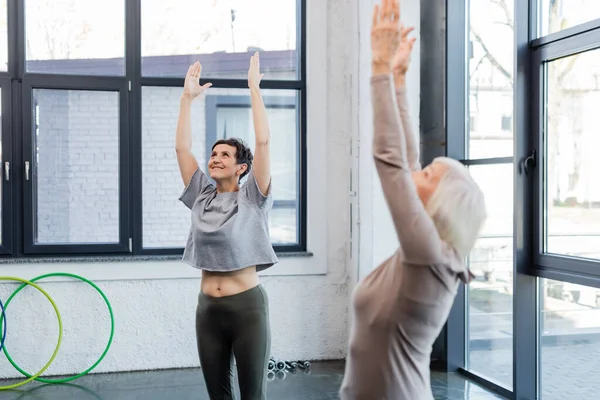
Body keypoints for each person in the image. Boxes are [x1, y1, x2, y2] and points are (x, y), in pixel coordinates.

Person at [339, 1, 487, 399]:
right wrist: (398, 79)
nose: (415, 173)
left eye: (427, 177)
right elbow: (404, 161)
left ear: (439, 203)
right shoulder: (426, 251)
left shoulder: (429, 258)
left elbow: (391, 164)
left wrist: (378, 68)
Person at [176, 52, 277, 400]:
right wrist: (186, 99)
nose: (215, 158)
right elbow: (181, 147)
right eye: (214, 153)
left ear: (241, 168)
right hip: (208, 310)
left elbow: (263, 143)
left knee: (252, 395)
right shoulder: (201, 195)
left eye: (225, 155)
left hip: (247, 308)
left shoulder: (253, 197)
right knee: (217, 396)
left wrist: (254, 90)